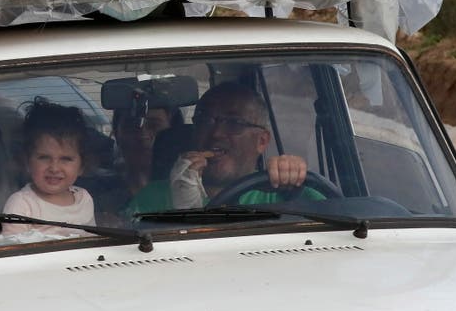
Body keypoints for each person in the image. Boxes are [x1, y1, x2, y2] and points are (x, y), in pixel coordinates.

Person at [126, 82, 319, 214]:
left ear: (262, 141)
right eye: (205, 121)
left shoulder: (283, 192)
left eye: (234, 123)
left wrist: (295, 175)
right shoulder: (151, 198)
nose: (216, 133)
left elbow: (340, 228)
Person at [2, 98, 97, 236]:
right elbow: (13, 252)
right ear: (27, 161)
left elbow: (94, 246)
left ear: (82, 165)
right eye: (44, 158)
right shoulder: (22, 204)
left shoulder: (84, 199)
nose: (54, 168)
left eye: (66, 159)